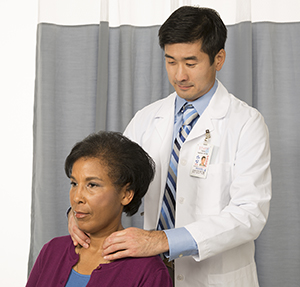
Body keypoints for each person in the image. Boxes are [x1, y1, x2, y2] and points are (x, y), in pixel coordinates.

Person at [68, 6, 272, 286]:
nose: (179, 75)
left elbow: (249, 213)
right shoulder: (147, 118)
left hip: (213, 276)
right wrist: (78, 213)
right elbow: (112, 179)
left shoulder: (246, 123)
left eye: (190, 63)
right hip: (149, 271)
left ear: (218, 58)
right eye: (171, 62)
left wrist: (164, 240)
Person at [27, 131, 173, 287]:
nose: (77, 197)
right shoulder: (52, 251)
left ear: (126, 194)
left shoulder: (149, 271)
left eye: (92, 185)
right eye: (74, 183)